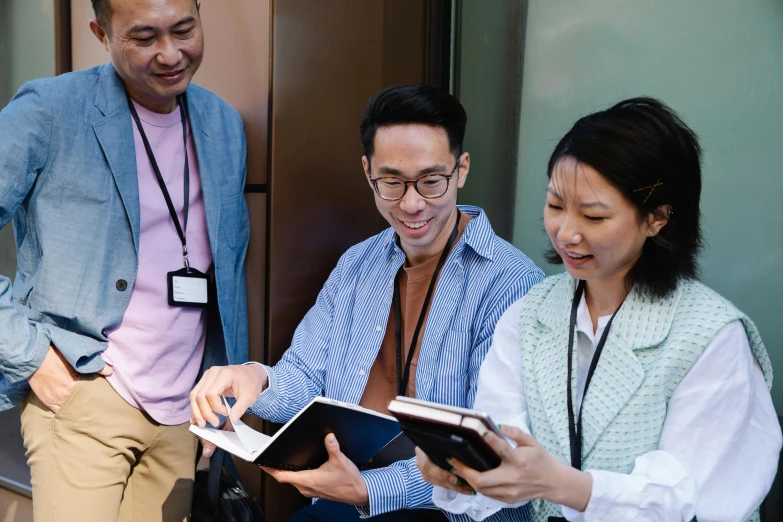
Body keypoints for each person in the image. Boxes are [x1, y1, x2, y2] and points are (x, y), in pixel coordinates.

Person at [416, 97, 782, 522]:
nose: (565, 232)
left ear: (658, 217)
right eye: (555, 206)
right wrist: (462, 476)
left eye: (593, 216)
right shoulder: (531, 313)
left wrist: (561, 485)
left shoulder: (711, 334)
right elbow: (505, 458)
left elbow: (693, 503)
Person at [189, 84, 544, 521]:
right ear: (367, 170)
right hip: (345, 503)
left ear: (462, 168)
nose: (412, 204)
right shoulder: (358, 264)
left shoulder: (512, 283)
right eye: (391, 182)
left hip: (450, 513)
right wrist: (253, 378)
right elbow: (302, 381)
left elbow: (494, 452)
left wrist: (369, 491)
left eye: (432, 181)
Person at [0, 0, 249, 520]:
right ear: (101, 32)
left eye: (185, 30)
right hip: (84, 387)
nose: (170, 54)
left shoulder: (223, 123)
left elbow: (227, 269)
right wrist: (31, 355)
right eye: (144, 38)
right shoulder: (48, 110)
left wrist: (221, 399)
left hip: (185, 409)